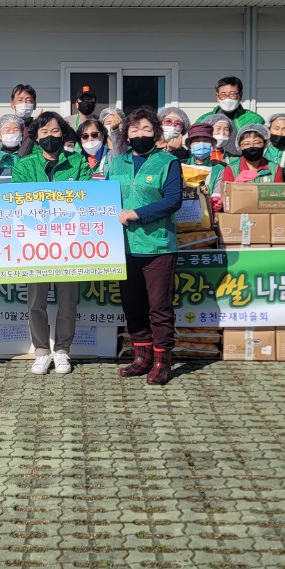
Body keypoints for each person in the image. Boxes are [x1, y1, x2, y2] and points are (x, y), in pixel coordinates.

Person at [107, 106, 183, 386]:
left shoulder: (167, 162)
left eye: (147, 129)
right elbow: (104, 198)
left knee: (160, 307)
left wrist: (138, 214)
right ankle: (142, 356)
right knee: (133, 304)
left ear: (156, 133)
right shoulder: (117, 163)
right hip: (123, 246)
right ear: (126, 135)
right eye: (135, 129)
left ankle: (163, 360)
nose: (140, 134)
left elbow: (173, 200)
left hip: (157, 245)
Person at [13, 111, 91, 374]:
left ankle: (62, 350)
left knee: (68, 300)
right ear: (36, 137)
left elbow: (88, 197)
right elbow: (17, 201)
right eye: (44, 132)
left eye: (55, 131)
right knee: (36, 301)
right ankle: (41, 351)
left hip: (69, 243)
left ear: (64, 134)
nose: (50, 137)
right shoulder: (24, 166)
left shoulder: (77, 162)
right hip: (35, 244)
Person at [0, 84, 38, 155]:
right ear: (12, 104)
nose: (24, 103)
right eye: (20, 100)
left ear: (35, 105)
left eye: (28, 100)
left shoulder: (40, 128)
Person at [195, 75, 263, 129]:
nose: (227, 98)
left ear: (240, 95)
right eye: (223, 95)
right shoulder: (203, 121)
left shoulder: (254, 119)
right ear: (217, 96)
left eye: (232, 94)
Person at [0, 113, 26, 178]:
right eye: (8, 130)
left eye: (16, 130)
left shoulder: (27, 156)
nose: (12, 133)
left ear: (21, 134)